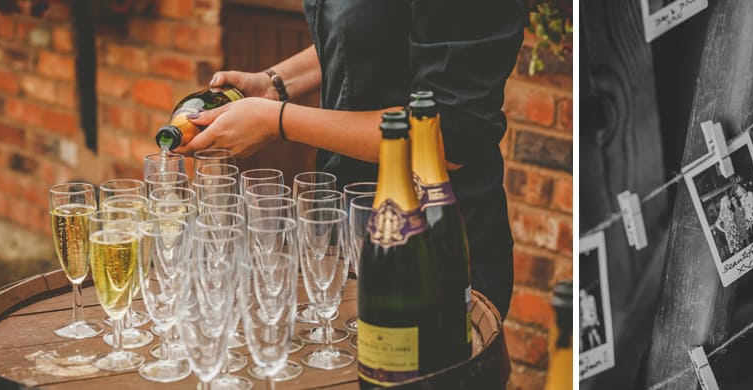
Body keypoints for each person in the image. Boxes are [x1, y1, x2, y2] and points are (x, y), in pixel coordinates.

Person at [172, 1, 526, 318]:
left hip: (431, 248)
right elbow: (372, 32)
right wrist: (275, 84)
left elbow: (449, 136)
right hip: (346, 234)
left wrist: (277, 120)